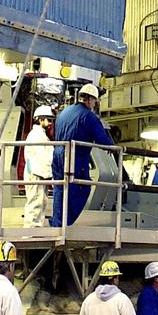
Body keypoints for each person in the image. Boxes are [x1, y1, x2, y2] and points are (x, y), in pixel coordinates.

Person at [51, 83, 114, 227]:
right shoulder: (89, 116)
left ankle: (57, 223)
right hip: (75, 157)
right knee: (82, 188)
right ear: (90, 100)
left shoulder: (63, 113)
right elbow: (102, 139)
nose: (94, 105)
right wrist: (113, 148)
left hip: (58, 154)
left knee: (60, 189)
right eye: (95, 101)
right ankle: (66, 222)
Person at [23, 106, 53, 226]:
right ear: (40, 119)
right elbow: (42, 158)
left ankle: (35, 230)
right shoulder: (36, 135)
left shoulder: (40, 135)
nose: (50, 123)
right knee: (35, 203)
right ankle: (30, 231)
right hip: (36, 174)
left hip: (38, 174)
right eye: (48, 120)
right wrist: (51, 176)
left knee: (40, 202)